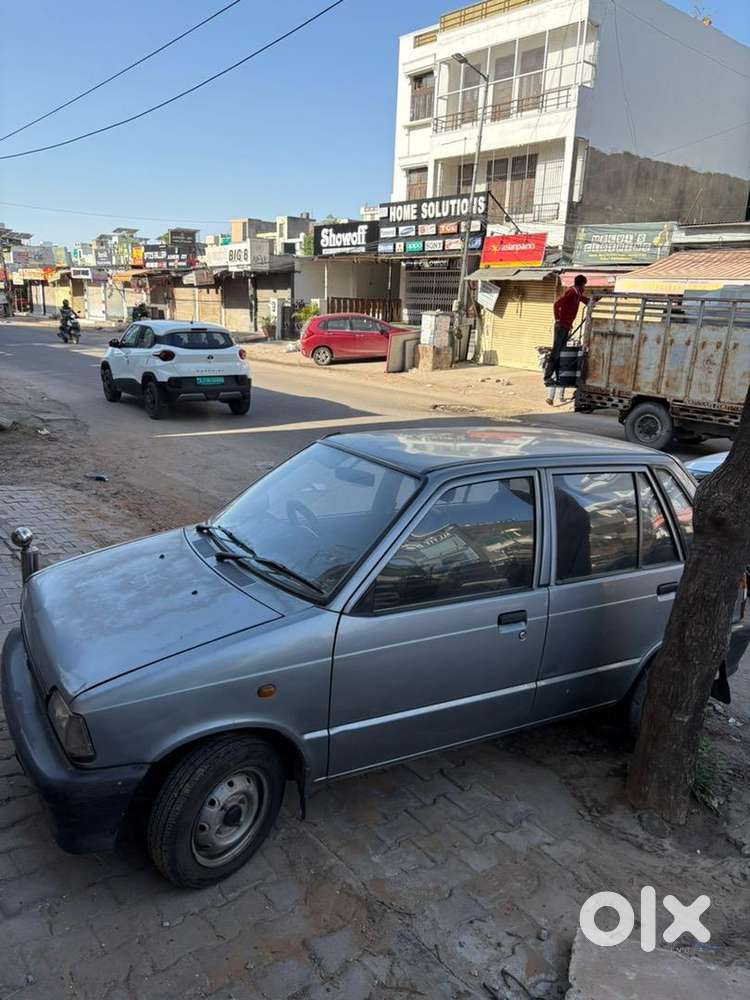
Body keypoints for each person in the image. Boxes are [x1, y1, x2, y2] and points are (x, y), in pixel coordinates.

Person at [545, 274, 588, 405]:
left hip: (566, 326)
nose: (584, 289)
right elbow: (557, 303)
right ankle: (547, 376)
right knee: (556, 351)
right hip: (561, 325)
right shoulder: (571, 291)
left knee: (561, 352)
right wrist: (558, 319)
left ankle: (557, 377)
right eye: (584, 286)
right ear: (582, 285)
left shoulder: (577, 294)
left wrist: (599, 297)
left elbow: (587, 301)